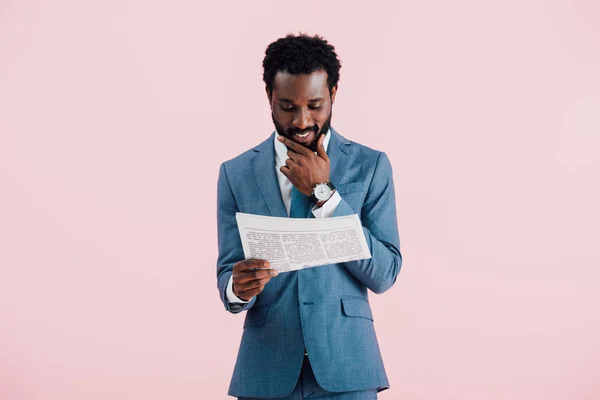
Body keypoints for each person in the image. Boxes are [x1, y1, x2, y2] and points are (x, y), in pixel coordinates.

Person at [216, 33, 402, 399]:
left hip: (347, 367)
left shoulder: (371, 166)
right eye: (287, 106)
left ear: (333, 93)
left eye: (315, 105)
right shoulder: (235, 173)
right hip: (265, 371)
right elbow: (228, 273)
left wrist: (325, 195)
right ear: (269, 96)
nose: (302, 121)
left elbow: (384, 273)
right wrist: (236, 288)